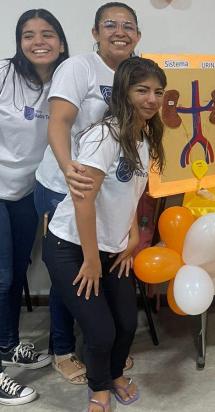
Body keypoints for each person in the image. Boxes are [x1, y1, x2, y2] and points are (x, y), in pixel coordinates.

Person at [43, 56, 166, 412]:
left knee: (127, 323)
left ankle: (113, 373)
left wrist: (130, 236)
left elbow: (130, 192)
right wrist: (93, 260)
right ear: (123, 92)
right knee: (100, 331)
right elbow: (84, 200)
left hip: (111, 248)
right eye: (142, 90)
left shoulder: (143, 136)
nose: (151, 99)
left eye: (158, 92)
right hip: (71, 246)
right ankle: (98, 389)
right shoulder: (104, 135)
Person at [34, 1, 141, 385]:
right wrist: (69, 170)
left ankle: (100, 349)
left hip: (108, 191)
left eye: (128, 25)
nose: (119, 31)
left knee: (97, 271)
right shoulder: (78, 67)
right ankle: (62, 351)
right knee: (71, 273)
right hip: (64, 185)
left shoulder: (135, 71)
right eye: (110, 24)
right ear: (95, 33)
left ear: (138, 36)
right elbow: (60, 123)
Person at [0, 9, 68, 406]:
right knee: (2, 276)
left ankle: (7, 344)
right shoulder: (5, 74)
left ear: (60, 41)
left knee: (14, 275)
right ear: (19, 42)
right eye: (29, 35)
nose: (38, 41)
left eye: (47, 34)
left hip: (28, 191)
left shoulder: (65, 79)